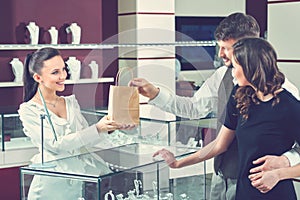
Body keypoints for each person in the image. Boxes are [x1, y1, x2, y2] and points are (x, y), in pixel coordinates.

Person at [130, 13, 300, 199]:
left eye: (226, 48)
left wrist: (284, 163)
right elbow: (195, 111)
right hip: (221, 177)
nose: (220, 54)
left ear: (247, 48)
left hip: (262, 185)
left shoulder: (288, 97)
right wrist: (155, 93)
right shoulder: (229, 83)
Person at [18, 47, 134, 199]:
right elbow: (55, 145)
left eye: (63, 69)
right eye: (55, 72)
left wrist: (110, 127)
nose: (63, 76)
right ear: (38, 78)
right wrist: (98, 128)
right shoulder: (28, 110)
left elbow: (86, 141)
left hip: (77, 181)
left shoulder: (70, 102)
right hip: (50, 185)